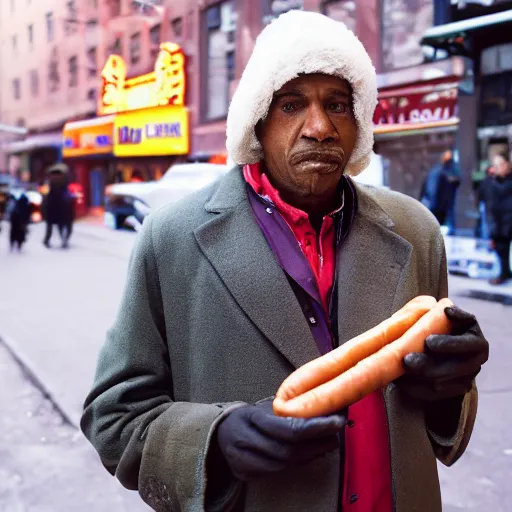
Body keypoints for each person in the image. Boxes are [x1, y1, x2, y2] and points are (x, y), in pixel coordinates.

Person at [81, 11, 489, 512]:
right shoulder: (172, 238)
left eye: (338, 104)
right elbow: (114, 416)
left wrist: (450, 387)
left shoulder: (415, 230)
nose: (319, 128)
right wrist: (213, 442)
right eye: (292, 104)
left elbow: (438, 419)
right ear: (258, 118)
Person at [484, 153, 512, 285]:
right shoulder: (491, 181)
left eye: (500, 164)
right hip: (498, 224)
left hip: (508, 222)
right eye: (495, 165)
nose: (497, 168)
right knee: (501, 250)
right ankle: (504, 273)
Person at [420, 150, 460, 233]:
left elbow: (456, 180)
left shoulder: (447, 170)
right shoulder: (438, 171)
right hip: (436, 200)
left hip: (442, 201)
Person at [42, 164, 75, 249]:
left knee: (55, 226)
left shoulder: (55, 185)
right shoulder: (61, 185)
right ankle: (61, 240)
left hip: (57, 207)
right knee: (61, 225)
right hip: (57, 207)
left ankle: (54, 240)